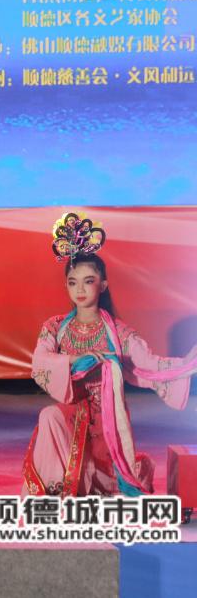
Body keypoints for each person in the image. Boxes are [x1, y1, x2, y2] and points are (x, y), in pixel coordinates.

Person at [23, 213, 196, 497]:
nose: (80, 289)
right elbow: (40, 361)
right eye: (73, 282)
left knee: (109, 486)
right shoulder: (55, 327)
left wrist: (188, 364)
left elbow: (148, 365)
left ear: (102, 285)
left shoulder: (119, 332)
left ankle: (103, 480)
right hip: (72, 412)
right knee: (49, 415)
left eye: (88, 281)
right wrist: (75, 360)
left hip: (107, 421)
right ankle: (55, 492)